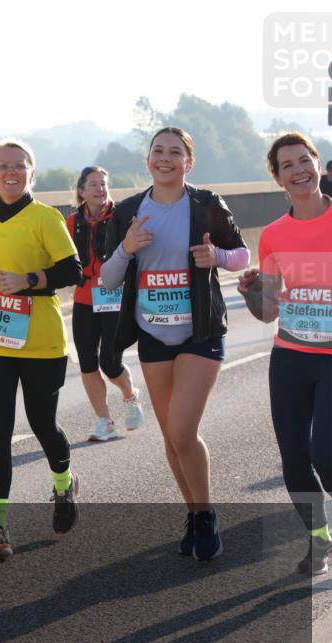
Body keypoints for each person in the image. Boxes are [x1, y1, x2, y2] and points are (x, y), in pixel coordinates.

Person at [100, 127, 249, 561]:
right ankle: (194, 512)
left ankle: (206, 514)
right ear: (148, 159)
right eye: (158, 151)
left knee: (183, 431)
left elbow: (242, 255)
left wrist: (217, 257)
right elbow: (108, 278)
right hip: (153, 334)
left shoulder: (206, 204)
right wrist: (127, 247)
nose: (165, 158)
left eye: (175, 152)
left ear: (189, 162)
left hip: (201, 331)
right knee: (171, 437)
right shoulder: (129, 211)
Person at [0, 139, 83, 560]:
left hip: (40, 341)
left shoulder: (45, 217)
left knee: (42, 423)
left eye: (19, 165)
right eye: (3, 166)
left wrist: (27, 280)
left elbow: (72, 269)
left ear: (32, 172)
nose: (11, 172)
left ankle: (63, 485)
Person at [238, 132, 332, 576]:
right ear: (277, 178)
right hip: (291, 357)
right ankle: (320, 539)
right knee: (294, 460)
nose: (299, 170)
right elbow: (268, 311)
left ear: (317, 163)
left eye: (304, 160)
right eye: (287, 165)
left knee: (325, 457)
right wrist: (252, 292)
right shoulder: (274, 235)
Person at [65, 166, 145, 441]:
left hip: (115, 297)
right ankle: (105, 421)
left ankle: (130, 395)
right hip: (84, 299)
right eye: (94, 184)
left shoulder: (121, 217)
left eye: (103, 183)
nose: (100, 189)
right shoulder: (72, 221)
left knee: (110, 363)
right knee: (87, 363)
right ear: (81, 191)